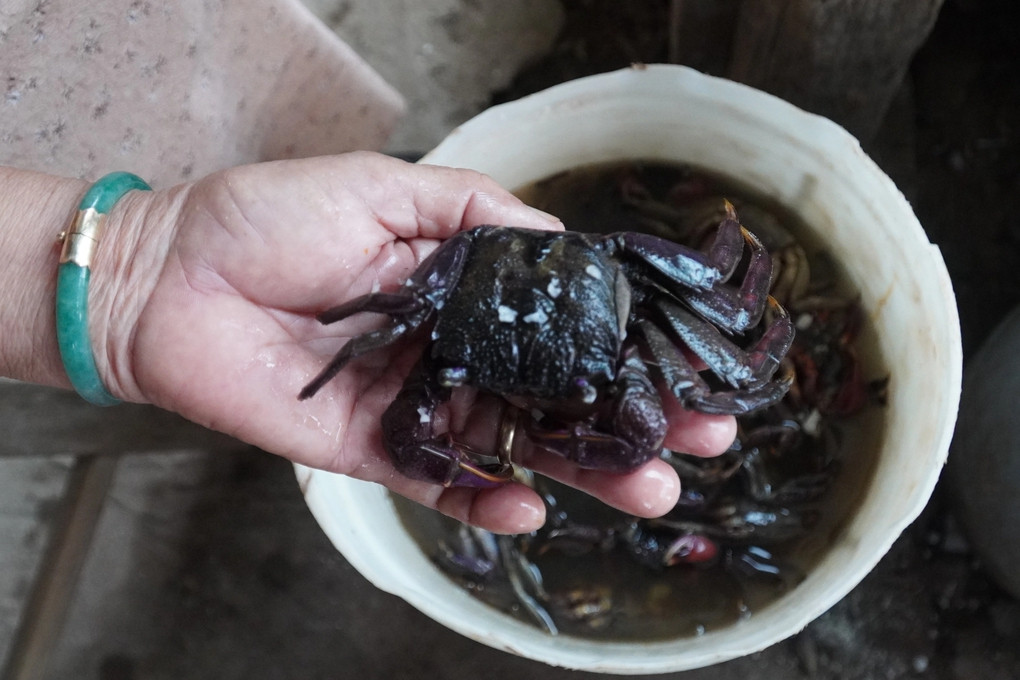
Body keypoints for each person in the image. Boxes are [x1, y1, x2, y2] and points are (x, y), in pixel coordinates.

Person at [0, 1, 735, 534]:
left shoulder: (633, 315)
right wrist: (138, 270)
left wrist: (142, 269)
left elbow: (714, 314)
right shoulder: (439, 301)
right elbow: (374, 348)